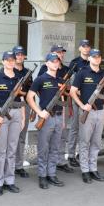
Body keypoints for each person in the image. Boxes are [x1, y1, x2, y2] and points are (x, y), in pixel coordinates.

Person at [0, 51, 25, 196]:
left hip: (16, 113)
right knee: (0, 150)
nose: (10, 62)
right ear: (2, 61)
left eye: (12, 60)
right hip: (0, 114)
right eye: (7, 60)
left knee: (12, 149)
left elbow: (21, 99)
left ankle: (9, 180)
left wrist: (22, 117)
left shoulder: (19, 78)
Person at [27, 53, 66, 189]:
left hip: (59, 116)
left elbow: (63, 101)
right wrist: (39, 112)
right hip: (47, 118)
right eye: (53, 61)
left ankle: (52, 174)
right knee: (43, 148)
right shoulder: (40, 79)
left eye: (57, 61)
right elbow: (29, 97)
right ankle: (42, 176)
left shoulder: (61, 80)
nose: (56, 63)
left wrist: (63, 119)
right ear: (47, 63)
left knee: (55, 147)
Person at [69, 49, 104, 184]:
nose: (96, 59)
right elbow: (73, 92)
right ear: (90, 58)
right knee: (85, 142)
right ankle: (85, 170)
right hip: (88, 112)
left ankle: (93, 168)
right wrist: (82, 105)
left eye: (98, 57)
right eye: (94, 57)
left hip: (100, 112)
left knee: (96, 143)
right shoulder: (82, 72)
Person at [38, 45, 74, 173]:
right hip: (47, 108)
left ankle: (59, 162)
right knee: (45, 140)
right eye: (58, 53)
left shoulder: (65, 69)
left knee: (61, 136)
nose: (60, 55)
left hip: (61, 105)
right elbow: (38, 88)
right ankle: (44, 168)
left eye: (62, 53)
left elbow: (68, 88)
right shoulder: (44, 69)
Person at [66, 39, 91, 168]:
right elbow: (69, 82)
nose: (87, 49)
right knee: (75, 128)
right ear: (80, 48)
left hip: (89, 102)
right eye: (84, 46)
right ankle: (71, 155)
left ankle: (82, 154)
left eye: (88, 47)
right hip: (78, 100)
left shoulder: (92, 61)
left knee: (86, 130)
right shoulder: (75, 63)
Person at [12, 45, 32, 178]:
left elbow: (31, 92)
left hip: (25, 105)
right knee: (10, 138)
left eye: (21, 54)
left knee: (21, 137)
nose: (19, 56)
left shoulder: (28, 73)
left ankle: (18, 166)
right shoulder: (8, 70)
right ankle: (9, 165)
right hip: (11, 106)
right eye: (17, 54)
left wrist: (33, 109)